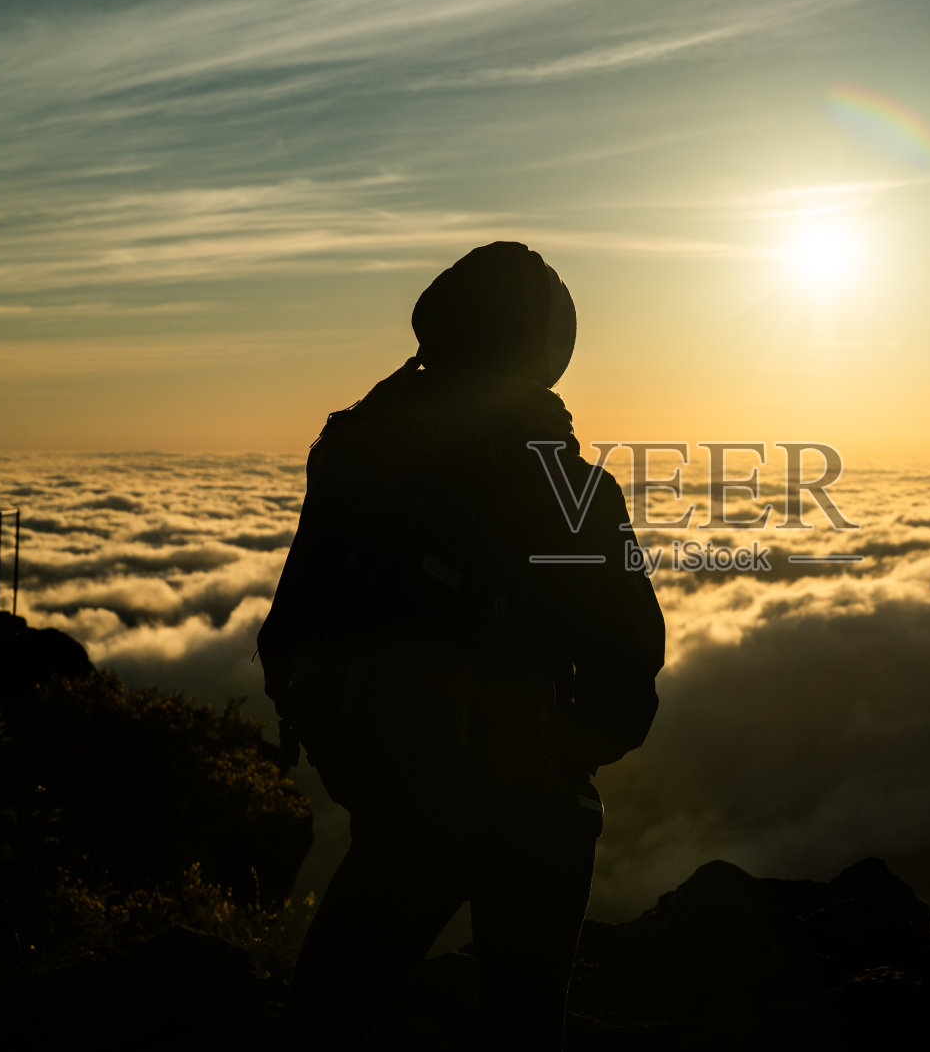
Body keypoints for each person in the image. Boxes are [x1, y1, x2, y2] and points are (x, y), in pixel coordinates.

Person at [258, 241, 664, 1048]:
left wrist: (371, 759)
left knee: (325, 1025)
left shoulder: (357, 453)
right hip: (534, 812)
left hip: (397, 804)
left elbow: (289, 634)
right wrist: (554, 756)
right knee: (522, 1028)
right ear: (539, 347)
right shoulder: (569, 485)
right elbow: (630, 670)